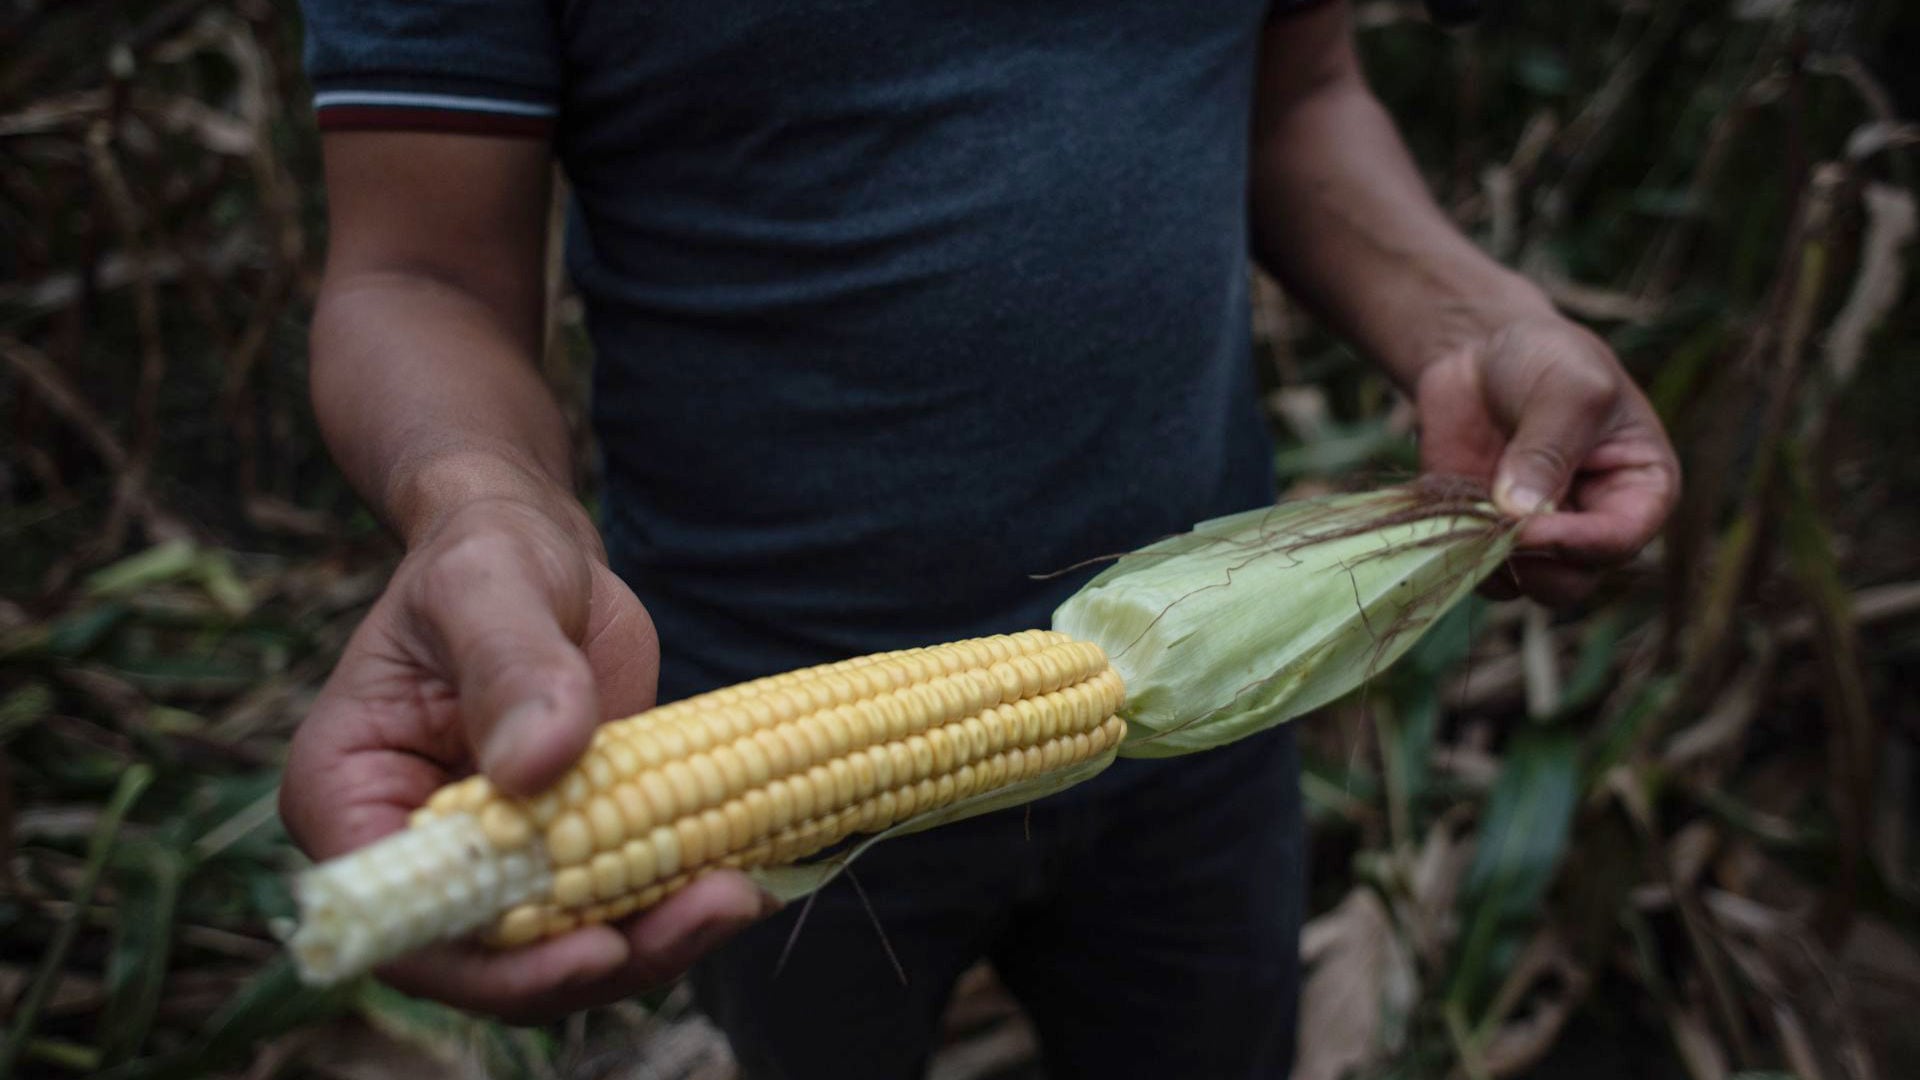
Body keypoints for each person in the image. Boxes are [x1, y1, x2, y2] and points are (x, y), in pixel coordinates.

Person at [278, 1, 1680, 1076]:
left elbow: (1293, 91)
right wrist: (484, 505)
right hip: (738, 723)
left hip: (1200, 726)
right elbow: (420, 271)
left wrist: (1466, 323)